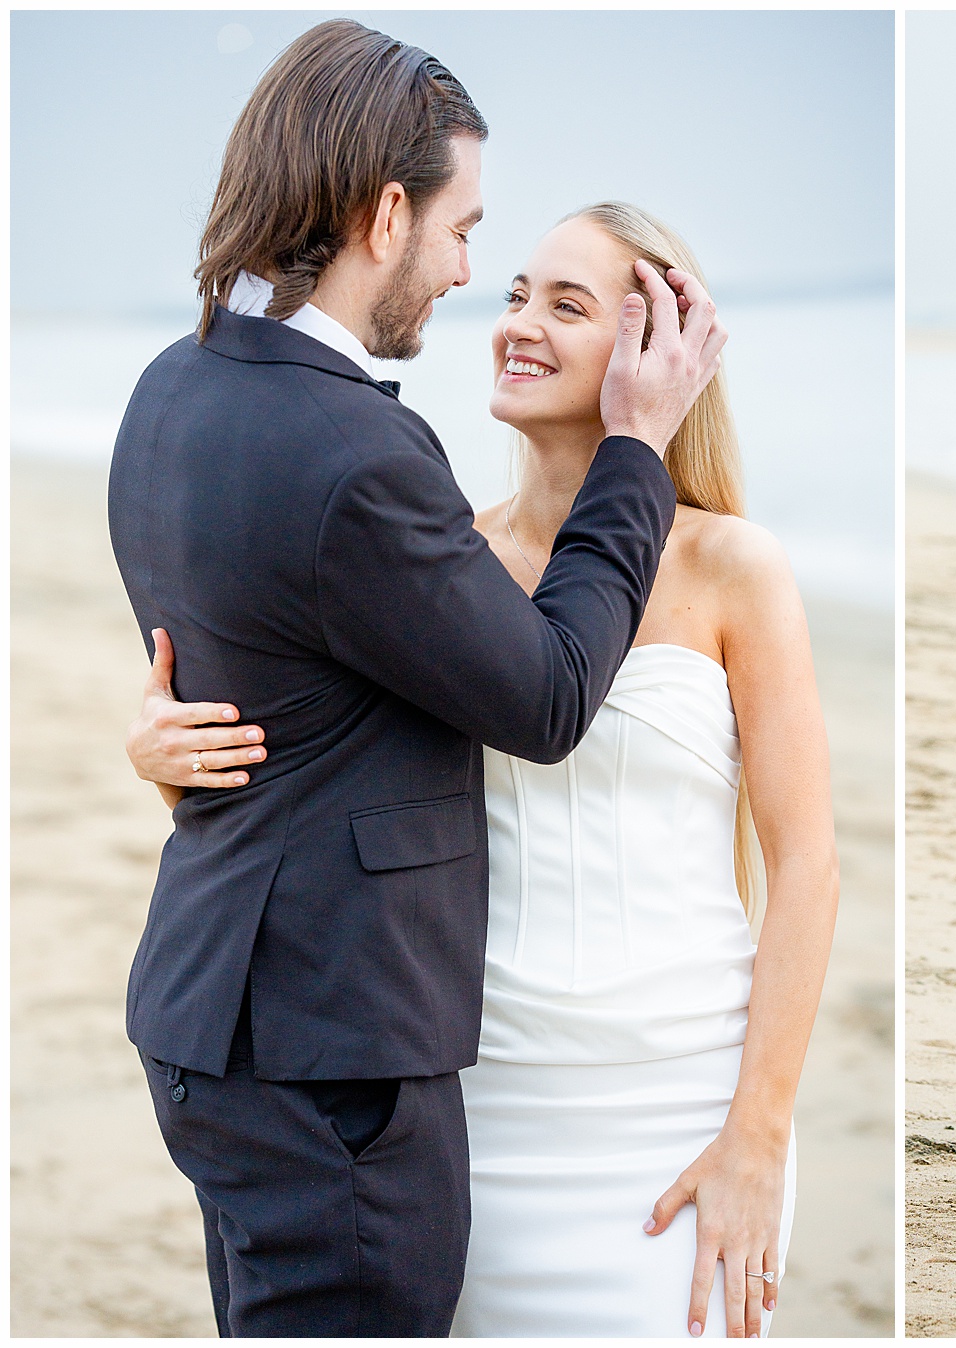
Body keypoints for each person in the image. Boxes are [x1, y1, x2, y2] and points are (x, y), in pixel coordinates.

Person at [107, 22, 723, 1335]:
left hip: (208, 1013)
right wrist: (636, 451)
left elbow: (254, 667)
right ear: (389, 211)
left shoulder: (170, 391)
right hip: (333, 1057)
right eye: (463, 230)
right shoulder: (358, 454)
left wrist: (157, 744)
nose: (462, 271)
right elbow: (551, 699)